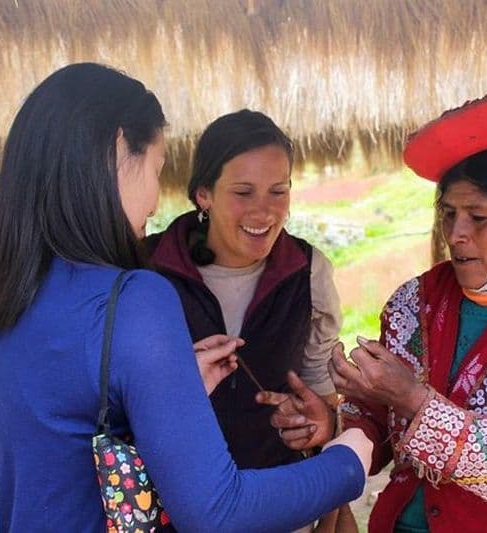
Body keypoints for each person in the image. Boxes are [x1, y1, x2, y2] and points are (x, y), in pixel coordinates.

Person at [0, 62, 372, 533]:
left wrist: (167, 396)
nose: (156, 201)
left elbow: (52, 451)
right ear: (119, 149)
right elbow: (218, 512)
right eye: (156, 168)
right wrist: (349, 462)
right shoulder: (135, 294)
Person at [269, 86, 487, 532]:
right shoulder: (415, 301)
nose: (456, 234)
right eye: (448, 214)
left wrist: (414, 399)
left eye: (477, 217)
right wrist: (335, 424)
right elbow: (381, 422)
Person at [146, 109, 353, 532]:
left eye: (278, 191)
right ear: (204, 193)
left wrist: (322, 424)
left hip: (280, 505)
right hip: (169, 511)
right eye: (243, 192)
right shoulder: (146, 271)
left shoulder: (307, 271)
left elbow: (322, 389)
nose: (264, 212)